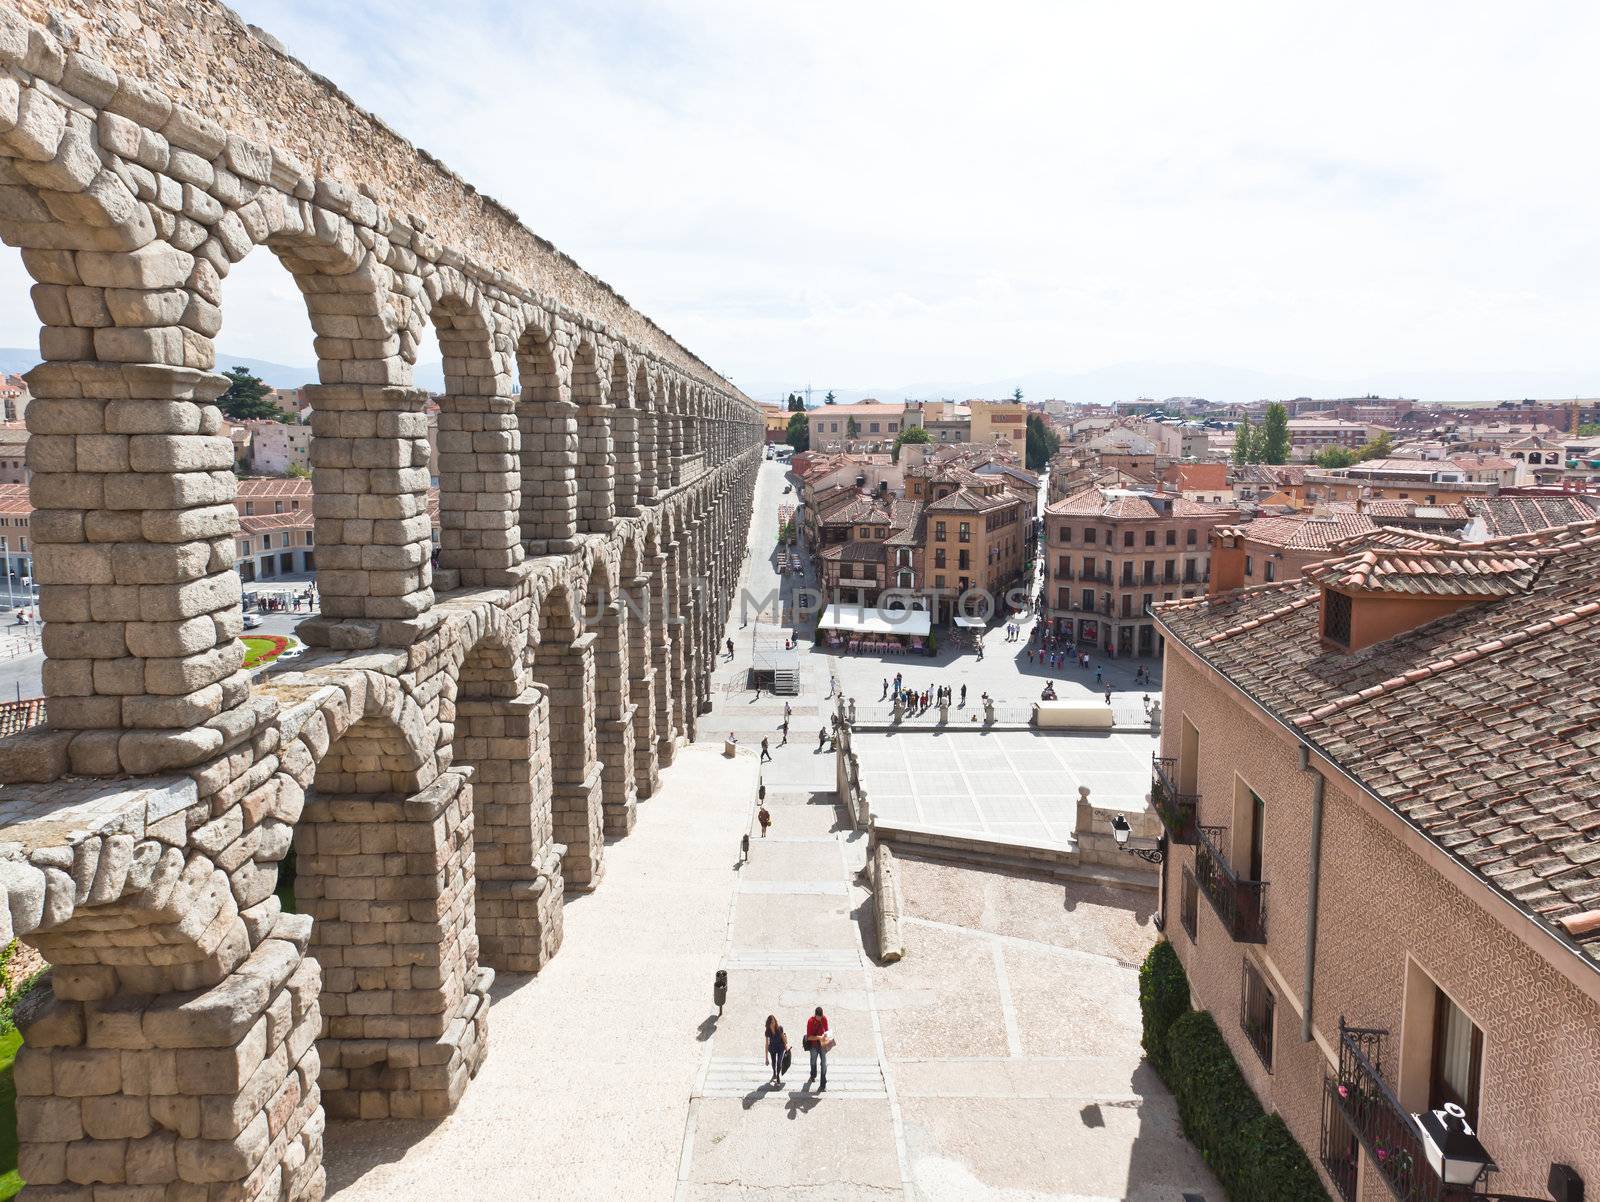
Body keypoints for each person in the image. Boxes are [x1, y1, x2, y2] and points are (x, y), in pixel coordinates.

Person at [805, 1006, 830, 1091]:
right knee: (813, 1061)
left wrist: (826, 1036)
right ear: (815, 1015)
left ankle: (823, 1084)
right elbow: (809, 1037)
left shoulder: (824, 1019)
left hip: (822, 1044)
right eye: (818, 1017)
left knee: (824, 1063)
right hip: (814, 1045)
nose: (820, 1019)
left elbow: (827, 1031)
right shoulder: (810, 1021)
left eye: (821, 1017)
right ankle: (813, 1075)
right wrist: (819, 1037)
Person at [764, 1015, 789, 1087]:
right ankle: (774, 1073)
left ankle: (778, 1076)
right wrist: (766, 1058)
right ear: (768, 1024)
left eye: (773, 1022)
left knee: (779, 1063)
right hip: (772, 1048)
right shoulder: (767, 1031)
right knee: (773, 1063)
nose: (773, 1024)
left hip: (780, 1047)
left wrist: (786, 1045)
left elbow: (784, 1040)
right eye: (771, 1023)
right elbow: (766, 1044)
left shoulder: (779, 1028)